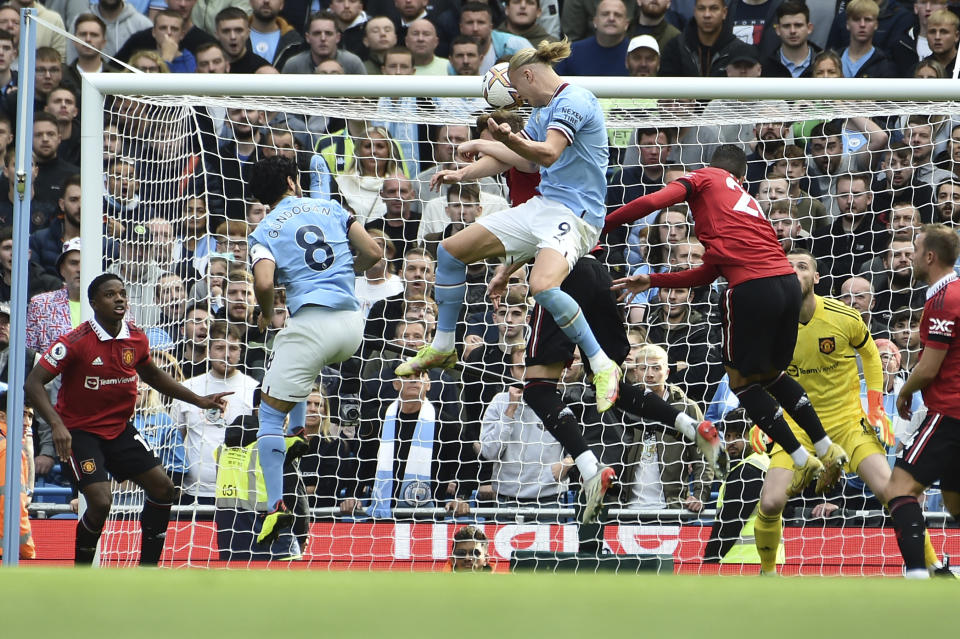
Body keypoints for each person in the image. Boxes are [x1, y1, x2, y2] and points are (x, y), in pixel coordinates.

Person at [396, 39, 623, 422]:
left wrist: (502, 138)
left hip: (578, 214)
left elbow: (547, 153)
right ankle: (443, 344)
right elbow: (526, 163)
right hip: (542, 206)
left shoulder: (575, 100)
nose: (516, 97)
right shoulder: (541, 108)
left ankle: (602, 365)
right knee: (450, 252)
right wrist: (467, 171)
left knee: (542, 287)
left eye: (517, 89)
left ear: (528, 75)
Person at [607, 144, 847, 496]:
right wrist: (653, 279)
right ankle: (826, 448)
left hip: (750, 289)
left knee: (742, 383)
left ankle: (800, 457)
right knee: (773, 376)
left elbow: (653, 202)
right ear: (744, 178)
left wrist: (605, 223)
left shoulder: (706, 178)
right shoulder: (745, 205)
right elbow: (707, 272)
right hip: (787, 286)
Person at [752, 250, 946, 576]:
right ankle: (768, 574)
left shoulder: (843, 316)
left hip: (846, 421)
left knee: (892, 491)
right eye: (788, 267)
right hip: (796, 425)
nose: (794, 271)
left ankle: (935, 565)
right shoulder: (766, 324)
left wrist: (874, 409)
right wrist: (763, 417)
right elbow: (756, 373)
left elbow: (871, 355)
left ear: (815, 278)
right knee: (770, 502)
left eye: (802, 266)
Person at [23, 273, 230, 565]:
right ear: (94, 303)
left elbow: (154, 376)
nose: (119, 298)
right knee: (101, 502)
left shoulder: (135, 337)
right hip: (80, 433)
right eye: (110, 295)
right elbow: (33, 383)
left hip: (119, 429)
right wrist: (57, 424)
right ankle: (80, 574)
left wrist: (199, 400)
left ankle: (147, 570)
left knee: (163, 488)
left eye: (122, 293)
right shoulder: (75, 341)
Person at [246, 155, 381, 544]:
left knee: (269, 417)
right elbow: (373, 253)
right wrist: (342, 273)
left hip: (312, 326)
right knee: (302, 362)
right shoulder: (331, 207)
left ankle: (276, 509)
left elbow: (265, 282)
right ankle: (301, 430)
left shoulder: (264, 230)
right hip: (351, 326)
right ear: (292, 182)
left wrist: (267, 312)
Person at [885, 224, 960, 579]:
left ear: (929, 257)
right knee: (954, 499)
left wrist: (903, 390)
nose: (911, 256)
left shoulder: (944, 300)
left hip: (950, 411)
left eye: (915, 250)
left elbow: (929, 369)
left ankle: (916, 574)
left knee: (898, 487)